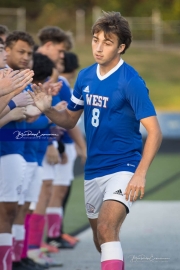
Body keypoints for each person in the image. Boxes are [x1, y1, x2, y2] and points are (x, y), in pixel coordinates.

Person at [29, 11, 162, 270]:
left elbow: (154, 131)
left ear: (121, 47)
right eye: (95, 40)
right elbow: (69, 119)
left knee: (106, 227)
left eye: (107, 42)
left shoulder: (131, 81)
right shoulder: (86, 76)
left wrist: (140, 174)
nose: (98, 48)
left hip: (124, 167)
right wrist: (47, 109)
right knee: (100, 240)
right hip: (93, 170)